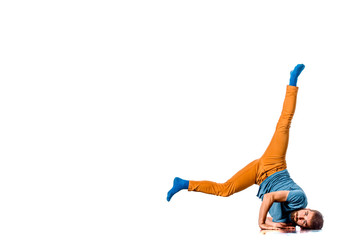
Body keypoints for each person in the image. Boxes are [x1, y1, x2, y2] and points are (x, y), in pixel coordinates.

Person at [166, 64, 324, 230]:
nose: (300, 217)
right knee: (284, 124)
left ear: (302, 227)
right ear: (308, 208)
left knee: (225, 190)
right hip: (275, 164)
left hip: (258, 175)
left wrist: (275, 225)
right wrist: (262, 224)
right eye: (305, 214)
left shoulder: (289, 221)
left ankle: (183, 184)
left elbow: (271, 217)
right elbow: (269, 197)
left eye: (303, 222)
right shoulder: (300, 198)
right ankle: (293, 81)